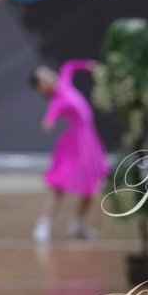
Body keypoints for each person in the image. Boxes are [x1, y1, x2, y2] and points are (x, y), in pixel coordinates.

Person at [30, 59, 110, 244]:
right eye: (42, 78)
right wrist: (49, 122)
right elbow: (49, 120)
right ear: (41, 87)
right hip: (74, 143)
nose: (47, 75)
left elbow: (70, 66)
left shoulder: (64, 80)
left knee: (91, 183)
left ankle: (78, 224)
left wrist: (90, 65)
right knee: (59, 184)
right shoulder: (56, 102)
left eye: (46, 71)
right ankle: (44, 224)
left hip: (89, 142)